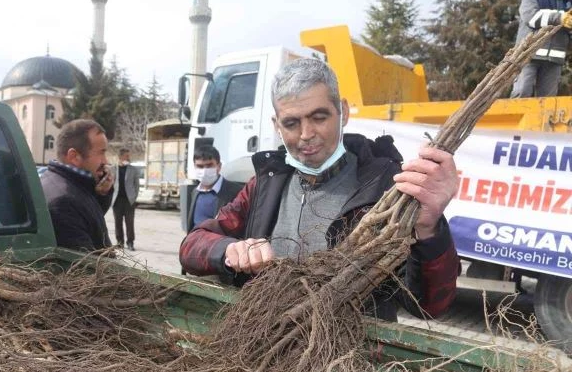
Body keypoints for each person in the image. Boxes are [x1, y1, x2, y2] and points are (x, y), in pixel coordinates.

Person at [179, 58, 460, 320]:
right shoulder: (266, 184)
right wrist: (230, 250)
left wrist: (429, 230)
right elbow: (192, 245)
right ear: (277, 126)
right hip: (265, 346)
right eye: (291, 123)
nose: (306, 134)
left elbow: (429, 306)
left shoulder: (386, 189)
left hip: (350, 363)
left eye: (319, 117)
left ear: (343, 112)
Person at [41, 119, 115, 251]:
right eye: (101, 152)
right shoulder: (64, 202)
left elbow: (88, 220)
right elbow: (86, 265)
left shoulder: (61, 181)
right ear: (74, 156)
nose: (106, 161)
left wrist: (102, 194)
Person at [511, 0, 572, 98]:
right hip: (528, 56)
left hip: (554, 60)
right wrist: (560, 17)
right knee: (522, 92)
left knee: (547, 102)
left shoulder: (569, 2)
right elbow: (531, 17)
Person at [185, 145, 244, 233]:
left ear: (219, 166)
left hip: (219, 244)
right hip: (196, 243)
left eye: (209, 165)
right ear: (194, 166)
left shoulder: (236, 191)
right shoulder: (195, 192)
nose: (204, 171)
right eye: (200, 166)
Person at [111, 148, 140, 250]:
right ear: (120, 157)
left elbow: (137, 185)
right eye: (126, 156)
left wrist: (133, 197)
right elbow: (110, 185)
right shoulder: (113, 169)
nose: (128, 157)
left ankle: (130, 242)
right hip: (116, 201)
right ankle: (119, 243)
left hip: (129, 201)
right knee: (117, 222)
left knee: (130, 223)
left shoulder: (133, 170)